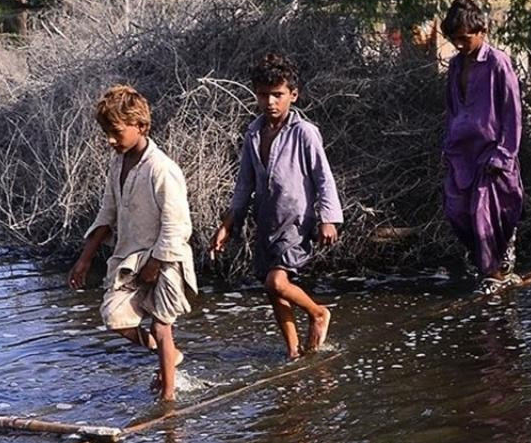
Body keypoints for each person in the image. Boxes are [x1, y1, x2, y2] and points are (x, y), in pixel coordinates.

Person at [68, 85, 196, 402]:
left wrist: (156, 264)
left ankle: (168, 397)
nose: (110, 140)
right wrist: (85, 258)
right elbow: (107, 212)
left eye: (115, 132)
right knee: (114, 316)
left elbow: (177, 225)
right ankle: (170, 357)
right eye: (106, 132)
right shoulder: (118, 164)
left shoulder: (161, 169)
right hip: (129, 258)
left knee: (163, 326)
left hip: (166, 259)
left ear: (140, 126)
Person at [210, 54, 343, 359]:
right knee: (273, 290)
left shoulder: (304, 132)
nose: (270, 102)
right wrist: (228, 225)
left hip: (297, 223)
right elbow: (244, 184)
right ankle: (293, 352)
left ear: (292, 95)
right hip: (266, 222)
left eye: (277, 95)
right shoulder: (254, 133)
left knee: (277, 280)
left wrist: (328, 219)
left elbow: (323, 177)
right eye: (263, 95)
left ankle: (318, 312)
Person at [441, 0, 525, 295]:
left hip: (492, 153)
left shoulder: (497, 62)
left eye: (465, 38)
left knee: (483, 214)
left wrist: (504, 155)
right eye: (455, 40)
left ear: (482, 31)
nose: (460, 45)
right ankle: (487, 266)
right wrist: (448, 145)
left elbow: (512, 112)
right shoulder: (454, 65)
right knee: (456, 212)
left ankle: (494, 274)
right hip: (462, 154)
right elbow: (453, 108)